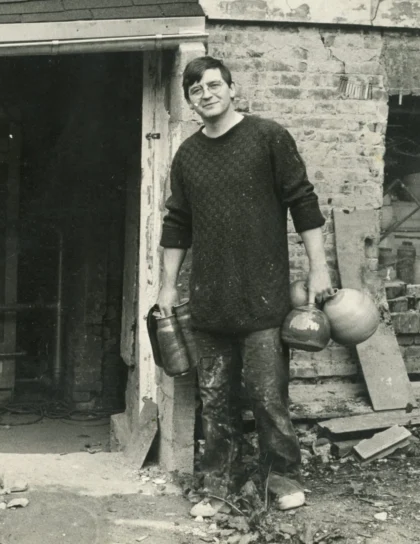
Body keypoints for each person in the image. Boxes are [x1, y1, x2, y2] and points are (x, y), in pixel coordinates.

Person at [157, 56, 334, 515]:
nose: (206, 94)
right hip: (210, 303)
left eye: (214, 85)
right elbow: (177, 223)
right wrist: (168, 287)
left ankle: (282, 477)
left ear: (232, 89)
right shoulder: (188, 156)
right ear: (190, 102)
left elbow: (303, 200)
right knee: (214, 398)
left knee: (268, 396)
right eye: (196, 90)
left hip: (263, 298)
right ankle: (217, 483)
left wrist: (319, 267)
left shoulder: (268, 137)